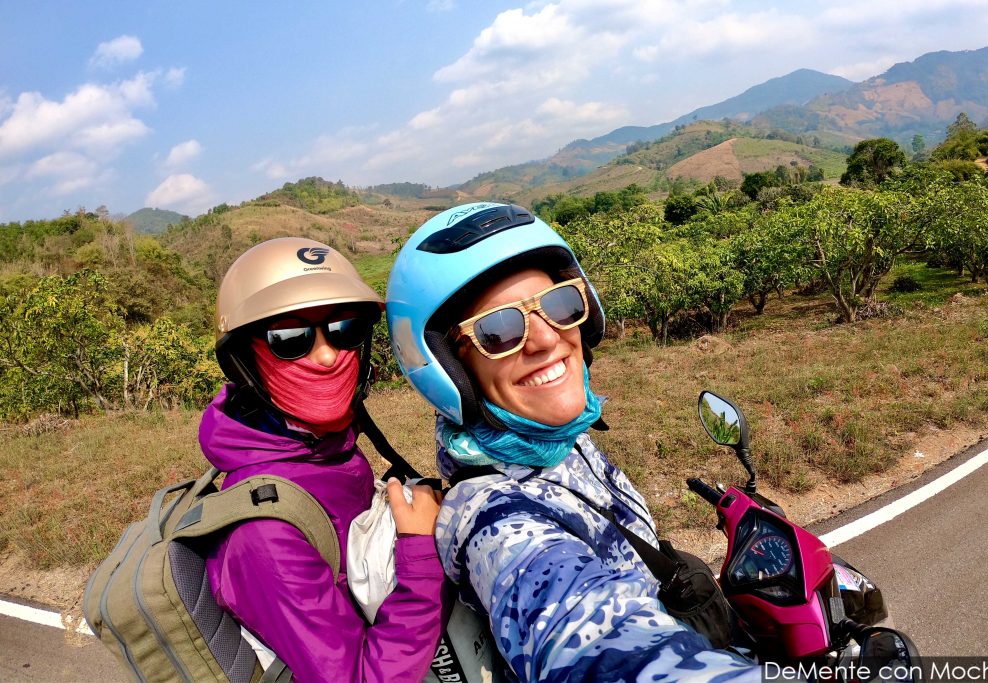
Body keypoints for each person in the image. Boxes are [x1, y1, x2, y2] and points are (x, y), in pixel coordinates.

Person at [386, 203, 760, 683]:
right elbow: (593, 637)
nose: (546, 339)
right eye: (497, 331)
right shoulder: (498, 524)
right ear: (447, 368)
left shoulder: (551, 441)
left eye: (560, 305)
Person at [202, 237, 445, 683]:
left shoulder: (323, 448)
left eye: (346, 328)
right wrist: (420, 555)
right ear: (245, 362)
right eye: (289, 338)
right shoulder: (264, 535)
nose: (329, 354)